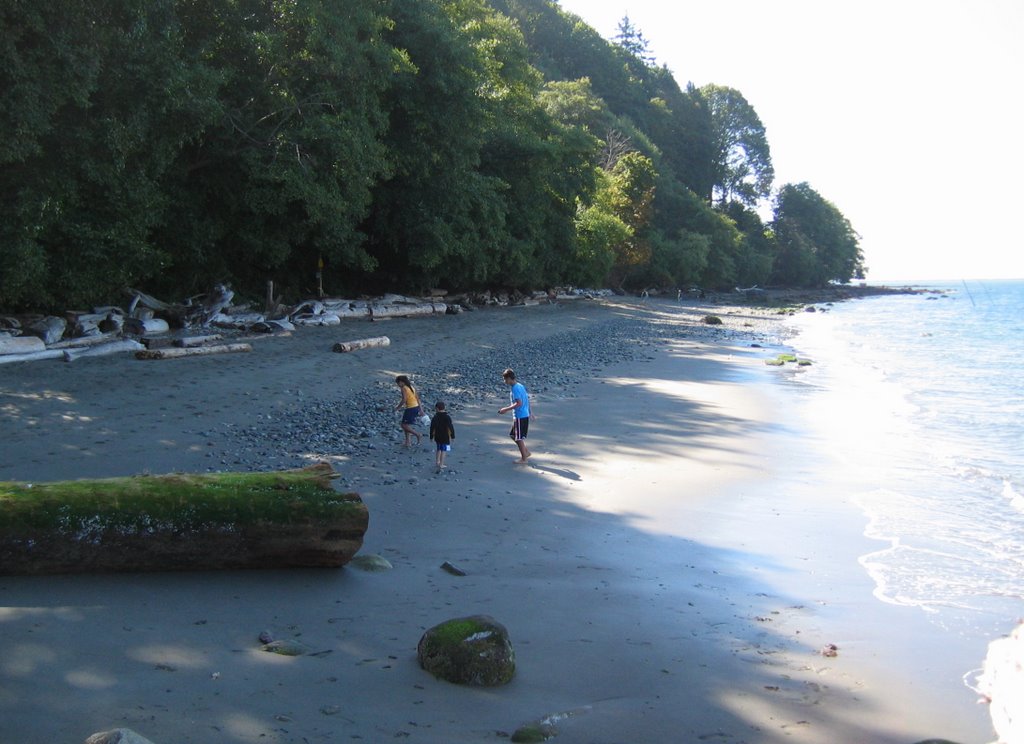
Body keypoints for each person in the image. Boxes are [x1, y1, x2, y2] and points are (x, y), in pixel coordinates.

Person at [498, 368, 531, 464]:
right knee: (513, 435)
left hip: (520, 416)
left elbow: (519, 403)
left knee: (518, 437)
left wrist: (505, 409)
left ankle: (524, 459)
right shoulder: (520, 386)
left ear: (509, 378)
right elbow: (527, 399)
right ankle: (526, 452)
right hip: (523, 415)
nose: (504, 381)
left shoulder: (515, 388)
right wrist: (531, 412)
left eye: (505, 379)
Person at [394, 374, 422, 446]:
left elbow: (404, 399)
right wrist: (421, 409)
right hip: (415, 407)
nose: (398, 385)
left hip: (410, 408)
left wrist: (398, 407)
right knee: (406, 424)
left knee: (403, 425)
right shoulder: (412, 387)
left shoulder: (404, 388)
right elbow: (417, 398)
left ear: (402, 382)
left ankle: (417, 434)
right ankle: (408, 442)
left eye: (398, 383)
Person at [429, 401, 455, 472]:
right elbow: (450, 427)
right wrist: (453, 436)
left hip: (437, 436)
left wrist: (431, 436)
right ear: (444, 408)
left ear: (437, 408)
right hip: (445, 436)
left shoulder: (435, 417)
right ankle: (441, 463)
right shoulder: (447, 417)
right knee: (444, 450)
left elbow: (432, 427)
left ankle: (437, 462)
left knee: (438, 448)